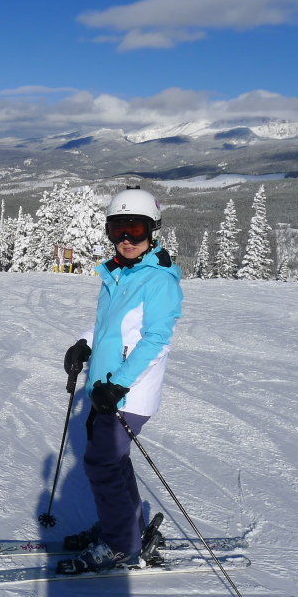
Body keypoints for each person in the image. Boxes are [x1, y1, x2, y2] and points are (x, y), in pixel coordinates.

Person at [59, 187, 183, 573]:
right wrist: (85, 343)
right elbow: (110, 328)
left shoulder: (159, 282)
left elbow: (156, 342)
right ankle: (125, 525)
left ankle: (121, 544)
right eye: (118, 230)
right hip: (105, 389)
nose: (127, 240)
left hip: (127, 393)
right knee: (112, 461)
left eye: (136, 229)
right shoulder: (118, 273)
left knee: (102, 463)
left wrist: (120, 384)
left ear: (152, 231)